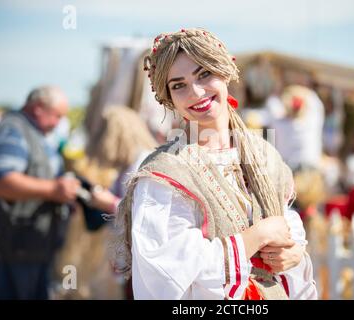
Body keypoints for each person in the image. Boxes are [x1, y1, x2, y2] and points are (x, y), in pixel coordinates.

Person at [114, 28, 317, 300]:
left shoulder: (264, 156)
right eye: (179, 85)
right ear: (169, 98)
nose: (196, 92)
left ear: (224, 72)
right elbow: (167, 271)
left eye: (204, 74)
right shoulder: (164, 173)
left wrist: (293, 253)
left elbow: (288, 229)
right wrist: (255, 237)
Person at [0, 86, 81, 299]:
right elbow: (2, 181)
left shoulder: (33, 131)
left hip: (31, 248)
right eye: (57, 116)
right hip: (15, 249)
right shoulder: (14, 129)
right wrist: (54, 189)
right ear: (38, 109)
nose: (58, 123)